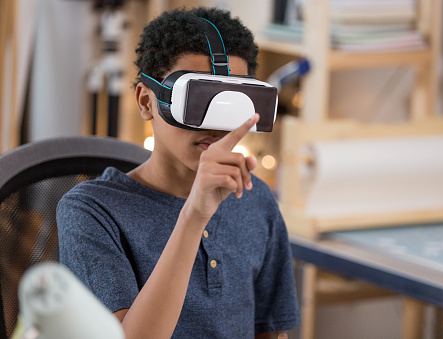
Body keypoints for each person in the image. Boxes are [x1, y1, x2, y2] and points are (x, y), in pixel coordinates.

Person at [57, 6, 300, 339]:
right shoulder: (91, 211)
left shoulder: (255, 199)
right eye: (197, 100)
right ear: (146, 102)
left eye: (230, 104)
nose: (214, 126)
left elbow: (271, 333)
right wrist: (194, 215)